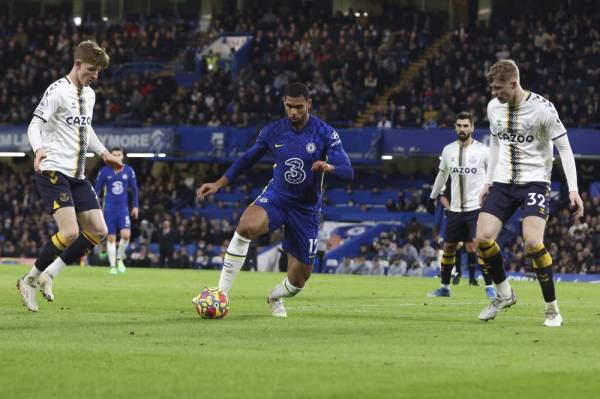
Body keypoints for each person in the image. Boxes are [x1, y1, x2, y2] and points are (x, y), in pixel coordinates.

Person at [196, 82, 353, 317]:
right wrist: (220, 183)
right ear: (284, 103)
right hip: (277, 197)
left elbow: (348, 172)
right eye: (289, 106)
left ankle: (275, 296)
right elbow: (248, 158)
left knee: (299, 280)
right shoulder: (273, 131)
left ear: (309, 104)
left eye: (299, 107)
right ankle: (221, 295)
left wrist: (329, 167)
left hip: (306, 209)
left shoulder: (325, 132)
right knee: (246, 226)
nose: (294, 112)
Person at [476, 60, 583, 326]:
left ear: (514, 84)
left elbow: (565, 148)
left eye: (498, 88)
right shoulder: (493, 108)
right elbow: (496, 144)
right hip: (503, 182)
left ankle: (552, 309)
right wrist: (488, 181)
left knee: (533, 243)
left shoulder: (542, 109)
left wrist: (573, 190)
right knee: (482, 239)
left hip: (535, 182)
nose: (494, 93)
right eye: (492, 88)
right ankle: (504, 295)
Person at [18, 40, 123, 312]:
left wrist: (104, 154)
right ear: (77, 64)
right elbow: (35, 124)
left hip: (77, 175)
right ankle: (28, 281)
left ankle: (49, 275)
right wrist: (39, 149)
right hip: (53, 169)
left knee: (99, 231)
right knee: (70, 232)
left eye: (98, 72)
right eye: (90, 70)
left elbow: (87, 130)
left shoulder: (89, 94)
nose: (95, 77)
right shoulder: (57, 91)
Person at [427, 112, 495, 299]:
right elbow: (442, 176)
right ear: (455, 127)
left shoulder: (483, 151)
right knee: (448, 248)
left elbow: (493, 177)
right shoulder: (448, 150)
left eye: (466, 126)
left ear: (472, 127)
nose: (462, 129)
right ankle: (445, 287)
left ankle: (489, 287)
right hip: (455, 210)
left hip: (476, 209)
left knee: (479, 246)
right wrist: (432, 197)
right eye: (459, 125)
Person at [94, 147, 139, 274]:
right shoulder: (104, 171)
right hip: (109, 209)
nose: (116, 157)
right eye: (113, 155)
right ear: (110, 157)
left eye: (118, 155)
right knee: (111, 238)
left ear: (122, 156)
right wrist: (95, 207)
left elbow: (135, 190)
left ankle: (119, 258)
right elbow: (96, 190)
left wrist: (135, 206)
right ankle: (113, 265)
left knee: (126, 235)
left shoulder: (129, 171)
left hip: (123, 208)